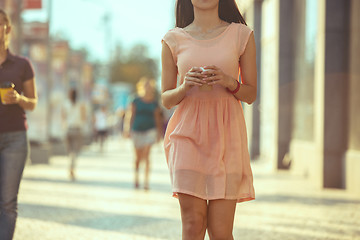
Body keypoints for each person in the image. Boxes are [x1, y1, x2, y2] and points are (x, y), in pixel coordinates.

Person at [161, 0, 257, 239]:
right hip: (186, 136)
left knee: (220, 231)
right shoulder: (173, 39)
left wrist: (229, 82)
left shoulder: (241, 35)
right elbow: (166, 98)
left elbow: (251, 94)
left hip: (227, 138)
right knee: (193, 224)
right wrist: (184, 87)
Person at [0, 9, 38, 240]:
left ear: (8, 29)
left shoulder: (22, 64)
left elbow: (33, 103)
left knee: (7, 202)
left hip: (15, 139)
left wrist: (19, 99)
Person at [123, 77, 163, 190]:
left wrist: (159, 133)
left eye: (149, 86)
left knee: (147, 155)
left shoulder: (155, 102)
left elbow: (158, 118)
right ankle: (136, 178)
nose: (147, 88)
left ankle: (146, 182)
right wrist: (127, 130)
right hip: (137, 130)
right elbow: (130, 115)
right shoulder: (135, 100)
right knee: (137, 157)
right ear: (141, 87)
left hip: (150, 130)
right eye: (145, 86)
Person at [62, 88, 86, 181]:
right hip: (77, 129)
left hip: (68, 129)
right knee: (75, 151)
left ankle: (70, 166)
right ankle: (72, 167)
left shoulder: (65, 104)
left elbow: (63, 117)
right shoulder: (81, 104)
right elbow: (84, 117)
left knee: (70, 151)